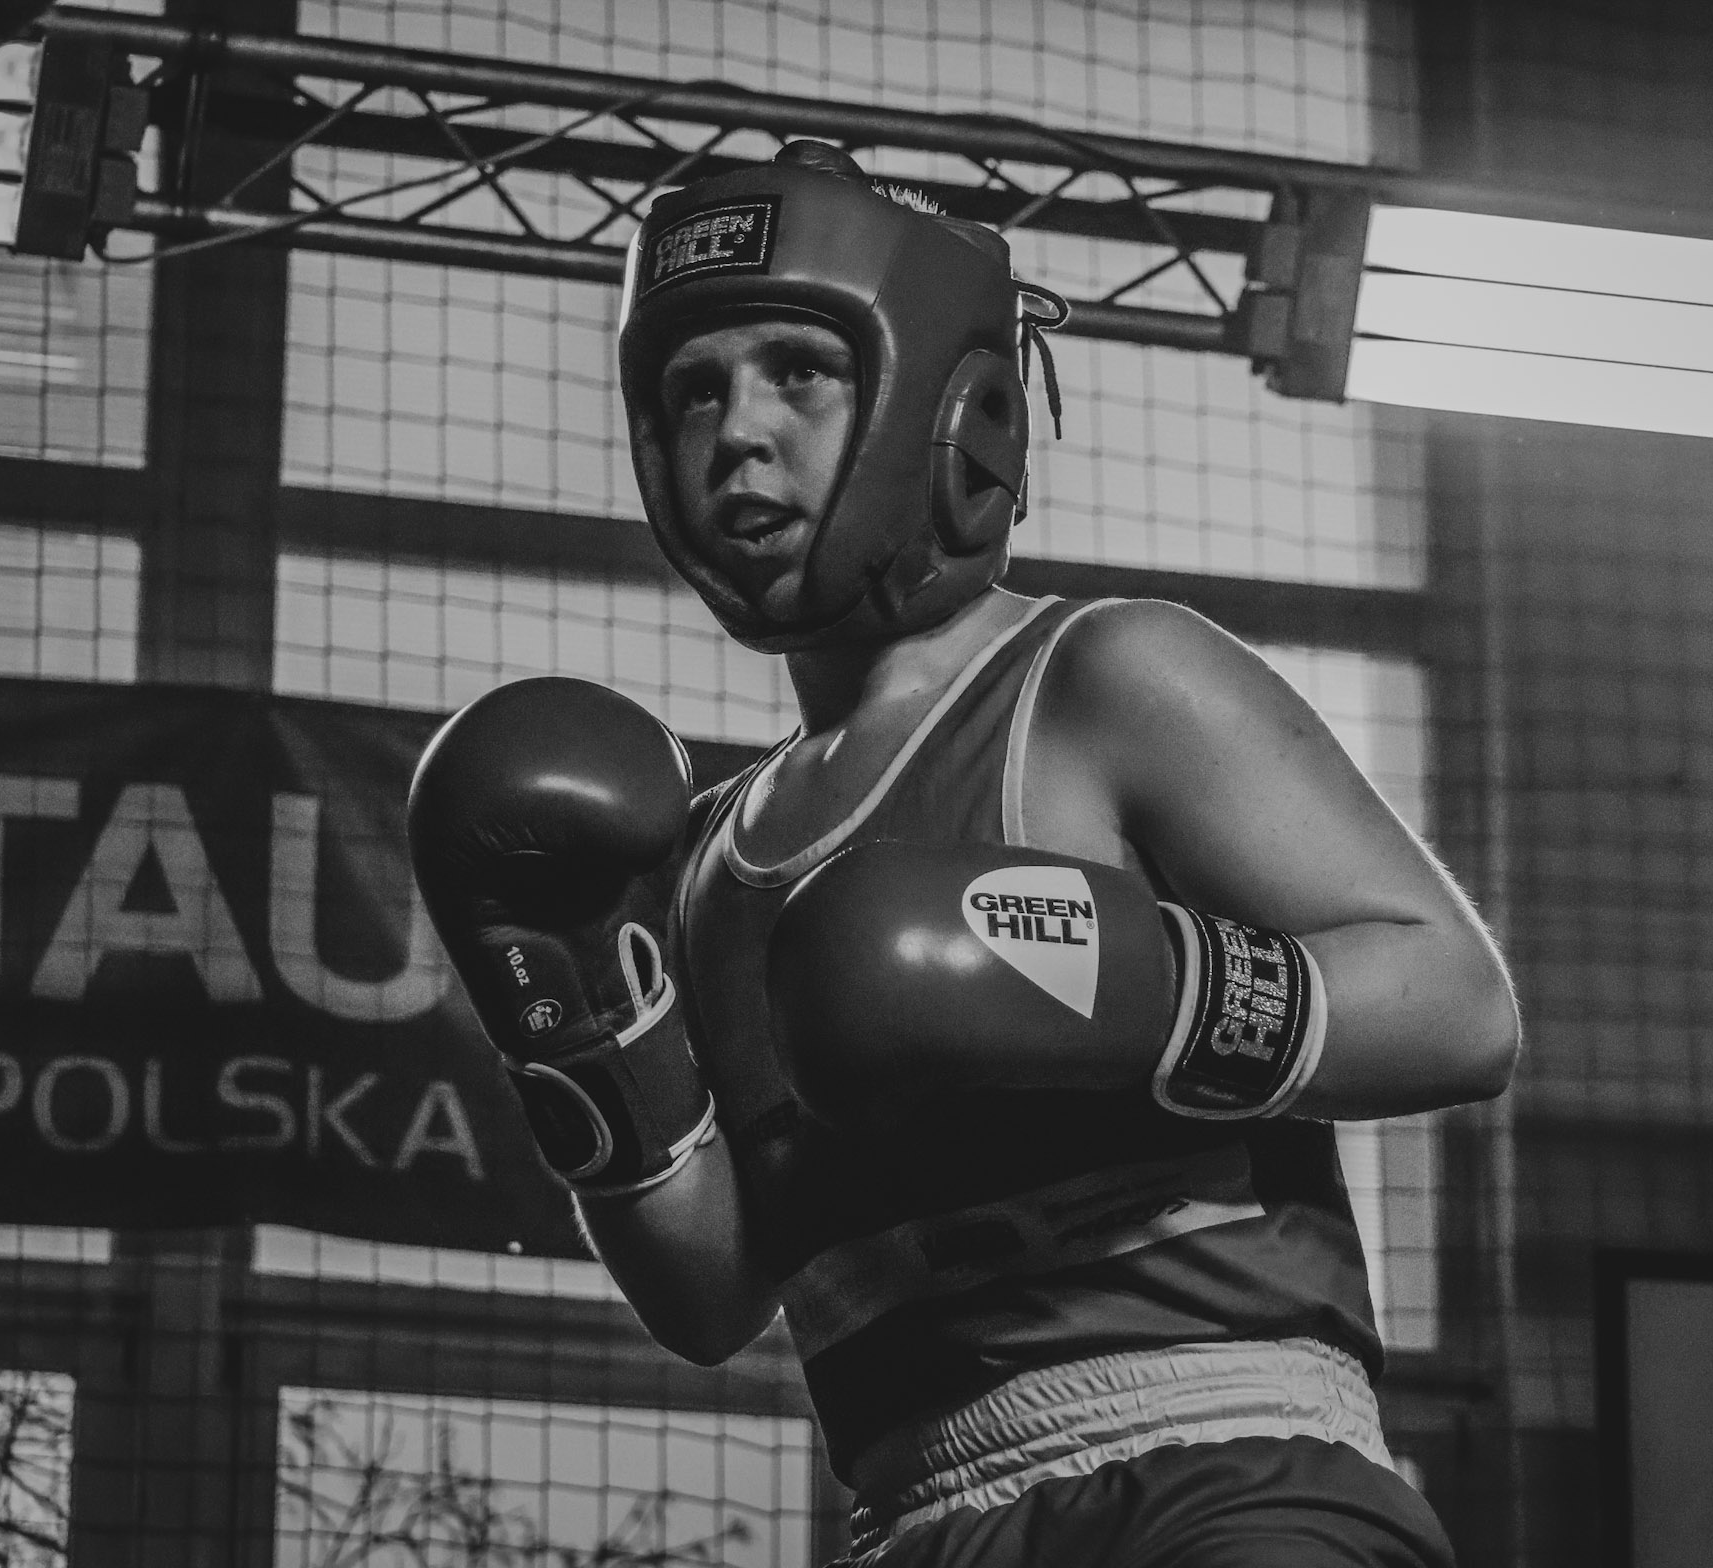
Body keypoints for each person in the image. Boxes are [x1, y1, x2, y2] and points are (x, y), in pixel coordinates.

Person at [408, 141, 1519, 1568]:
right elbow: (711, 1297)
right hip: (915, 1520)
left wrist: (1148, 986)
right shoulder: (705, 868)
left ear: (953, 409)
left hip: (1227, 1473)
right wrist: (572, 1030)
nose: (737, 432)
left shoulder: (1109, 680)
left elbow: (1459, 1008)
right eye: (694, 390)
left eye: (798, 372)